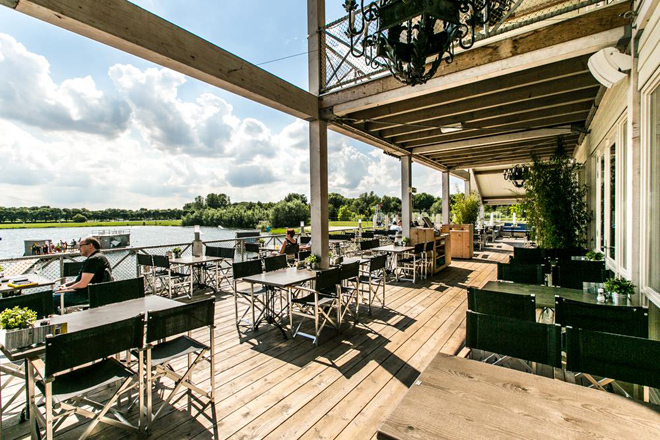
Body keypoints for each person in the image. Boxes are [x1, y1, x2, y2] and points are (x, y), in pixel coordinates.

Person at [54, 237, 112, 312]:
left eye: (80, 246)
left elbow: (83, 284)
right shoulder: (99, 257)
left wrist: (67, 288)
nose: (78, 248)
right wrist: (66, 285)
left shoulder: (94, 260)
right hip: (89, 293)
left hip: (84, 295)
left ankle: (56, 320)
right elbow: (80, 280)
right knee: (50, 294)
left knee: (45, 299)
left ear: (90, 245)